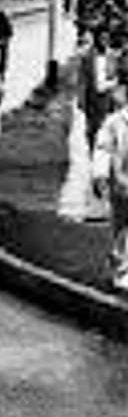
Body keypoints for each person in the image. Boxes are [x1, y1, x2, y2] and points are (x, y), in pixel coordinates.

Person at [92, 72, 128, 290]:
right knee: (119, 227)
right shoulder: (115, 121)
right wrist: (100, 175)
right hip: (121, 185)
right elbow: (103, 148)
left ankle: (124, 270)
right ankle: (119, 267)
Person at [81, 25, 117, 152]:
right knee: (92, 129)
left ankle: (102, 154)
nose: (104, 41)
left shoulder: (112, 55)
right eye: (102, 38)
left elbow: (115, 77)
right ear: (96, 39)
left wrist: (112, 87)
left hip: (106, 97)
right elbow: (83, 79)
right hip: (92, 97)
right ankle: (91, 152)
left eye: (107, 38)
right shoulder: (87, 56)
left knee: (105, 128)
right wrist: (81, 100)